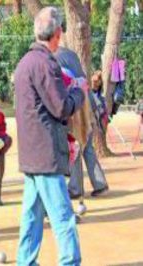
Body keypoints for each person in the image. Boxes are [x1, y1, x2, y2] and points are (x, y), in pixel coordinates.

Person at [14, 7, 86, 265]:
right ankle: (70, 262)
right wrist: (79, 92)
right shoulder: (46, 64)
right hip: (46, 153)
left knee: (32, 216)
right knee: (62, 216)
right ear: (57, 33)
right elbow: (61, 107)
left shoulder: (24, 62)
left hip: (31, 152)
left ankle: (26, 261)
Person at [55, 49, 109, 199]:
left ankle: (75, 188)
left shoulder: (56, 62)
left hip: (75, 111)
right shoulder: (74, 61)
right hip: (87, 109)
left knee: (75, 148)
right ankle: (100, 184)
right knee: (87, 148)